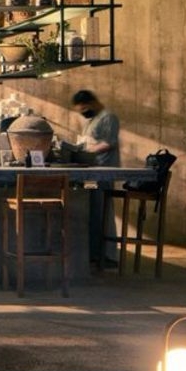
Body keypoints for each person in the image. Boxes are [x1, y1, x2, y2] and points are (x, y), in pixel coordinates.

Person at [71, 89, 120, 268]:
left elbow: (109, 142)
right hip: (94, 170)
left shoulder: (108, 118)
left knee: (104, 211)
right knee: (96, 211)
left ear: (92, 103)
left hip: (104, 169)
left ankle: (109, 255)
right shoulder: (92, 121)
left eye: (84, 108)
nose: (83, 112)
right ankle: (95, 252)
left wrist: (88, 150)